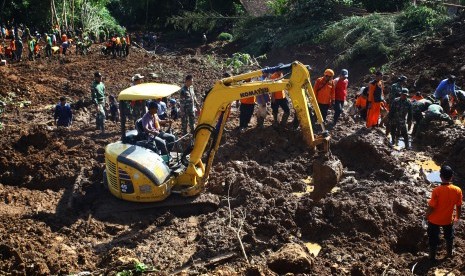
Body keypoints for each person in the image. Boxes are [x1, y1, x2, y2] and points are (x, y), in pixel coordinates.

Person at [425, 165, 462, 261]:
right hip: (448, 220)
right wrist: (457, 218)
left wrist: (425, 217)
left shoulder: (437, 190)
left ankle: (432, 257)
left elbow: (431, 207)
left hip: (434, 220)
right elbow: (458, 206)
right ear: (452, 176)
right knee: (449, 237)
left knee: (433, 238)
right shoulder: (457, 190)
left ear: (440, 176)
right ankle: (449, 253)